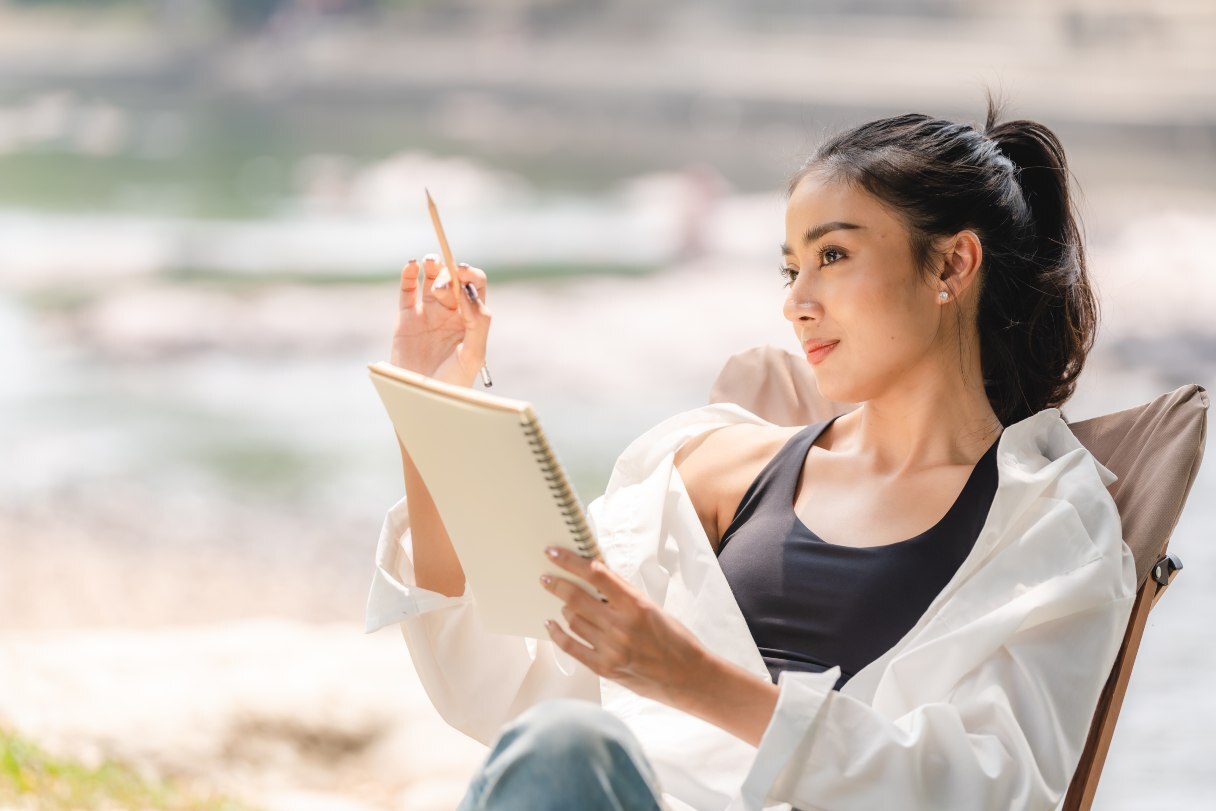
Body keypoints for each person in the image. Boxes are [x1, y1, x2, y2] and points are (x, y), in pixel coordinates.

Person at [365, 96, 1137, 811]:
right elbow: (511, 689)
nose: (796, 300)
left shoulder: (1048, 523)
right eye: (790, 267)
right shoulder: (712, 468)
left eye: (833, 256)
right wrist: (426, 407)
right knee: (565, 742)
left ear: (951, 265)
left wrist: (694, 679)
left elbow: (991, 787)